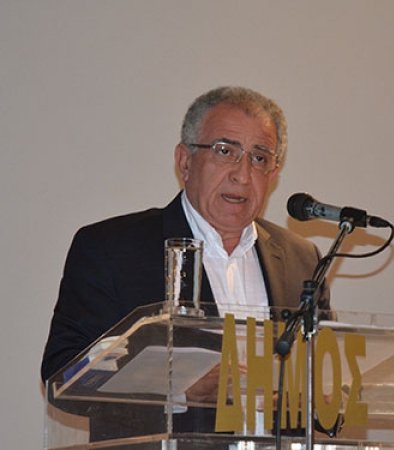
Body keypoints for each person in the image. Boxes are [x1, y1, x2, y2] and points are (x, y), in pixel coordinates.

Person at [42, 86, 330, 388]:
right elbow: (64, 373)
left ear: (272, 174)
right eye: (225, 151)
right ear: (185, 162)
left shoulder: (303, 261)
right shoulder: (111, 250)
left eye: (259, 158)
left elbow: (324, 375)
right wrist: (177, 387)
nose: (243, 175)